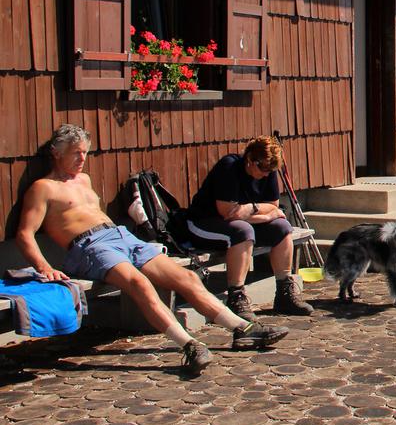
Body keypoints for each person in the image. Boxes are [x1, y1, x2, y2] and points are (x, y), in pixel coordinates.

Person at [15, 125, 287, 375]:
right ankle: (189, 345)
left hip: (120, 235)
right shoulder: (43, 188)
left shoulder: (83, 180)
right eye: (75, 153)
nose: (82, 159)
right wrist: (44, 267)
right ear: (56, 152)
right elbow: (25, 234)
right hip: (88, 245)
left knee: (187, 278)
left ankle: (243, 329)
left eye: (85, 152)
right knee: (138, 283)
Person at [184, 136, 313, 318]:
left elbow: (273, 205)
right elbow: (228, 213)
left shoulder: (268, 171)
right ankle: (236, 296)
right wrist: (263, 212)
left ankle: (284, 292)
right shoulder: (229, 167)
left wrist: (256, 212)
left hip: (240, 222)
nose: (266, 174)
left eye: (271, 170)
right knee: (243, 231)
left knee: (282, 227)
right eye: (263, 169)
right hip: (204, 223)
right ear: (251, 159)